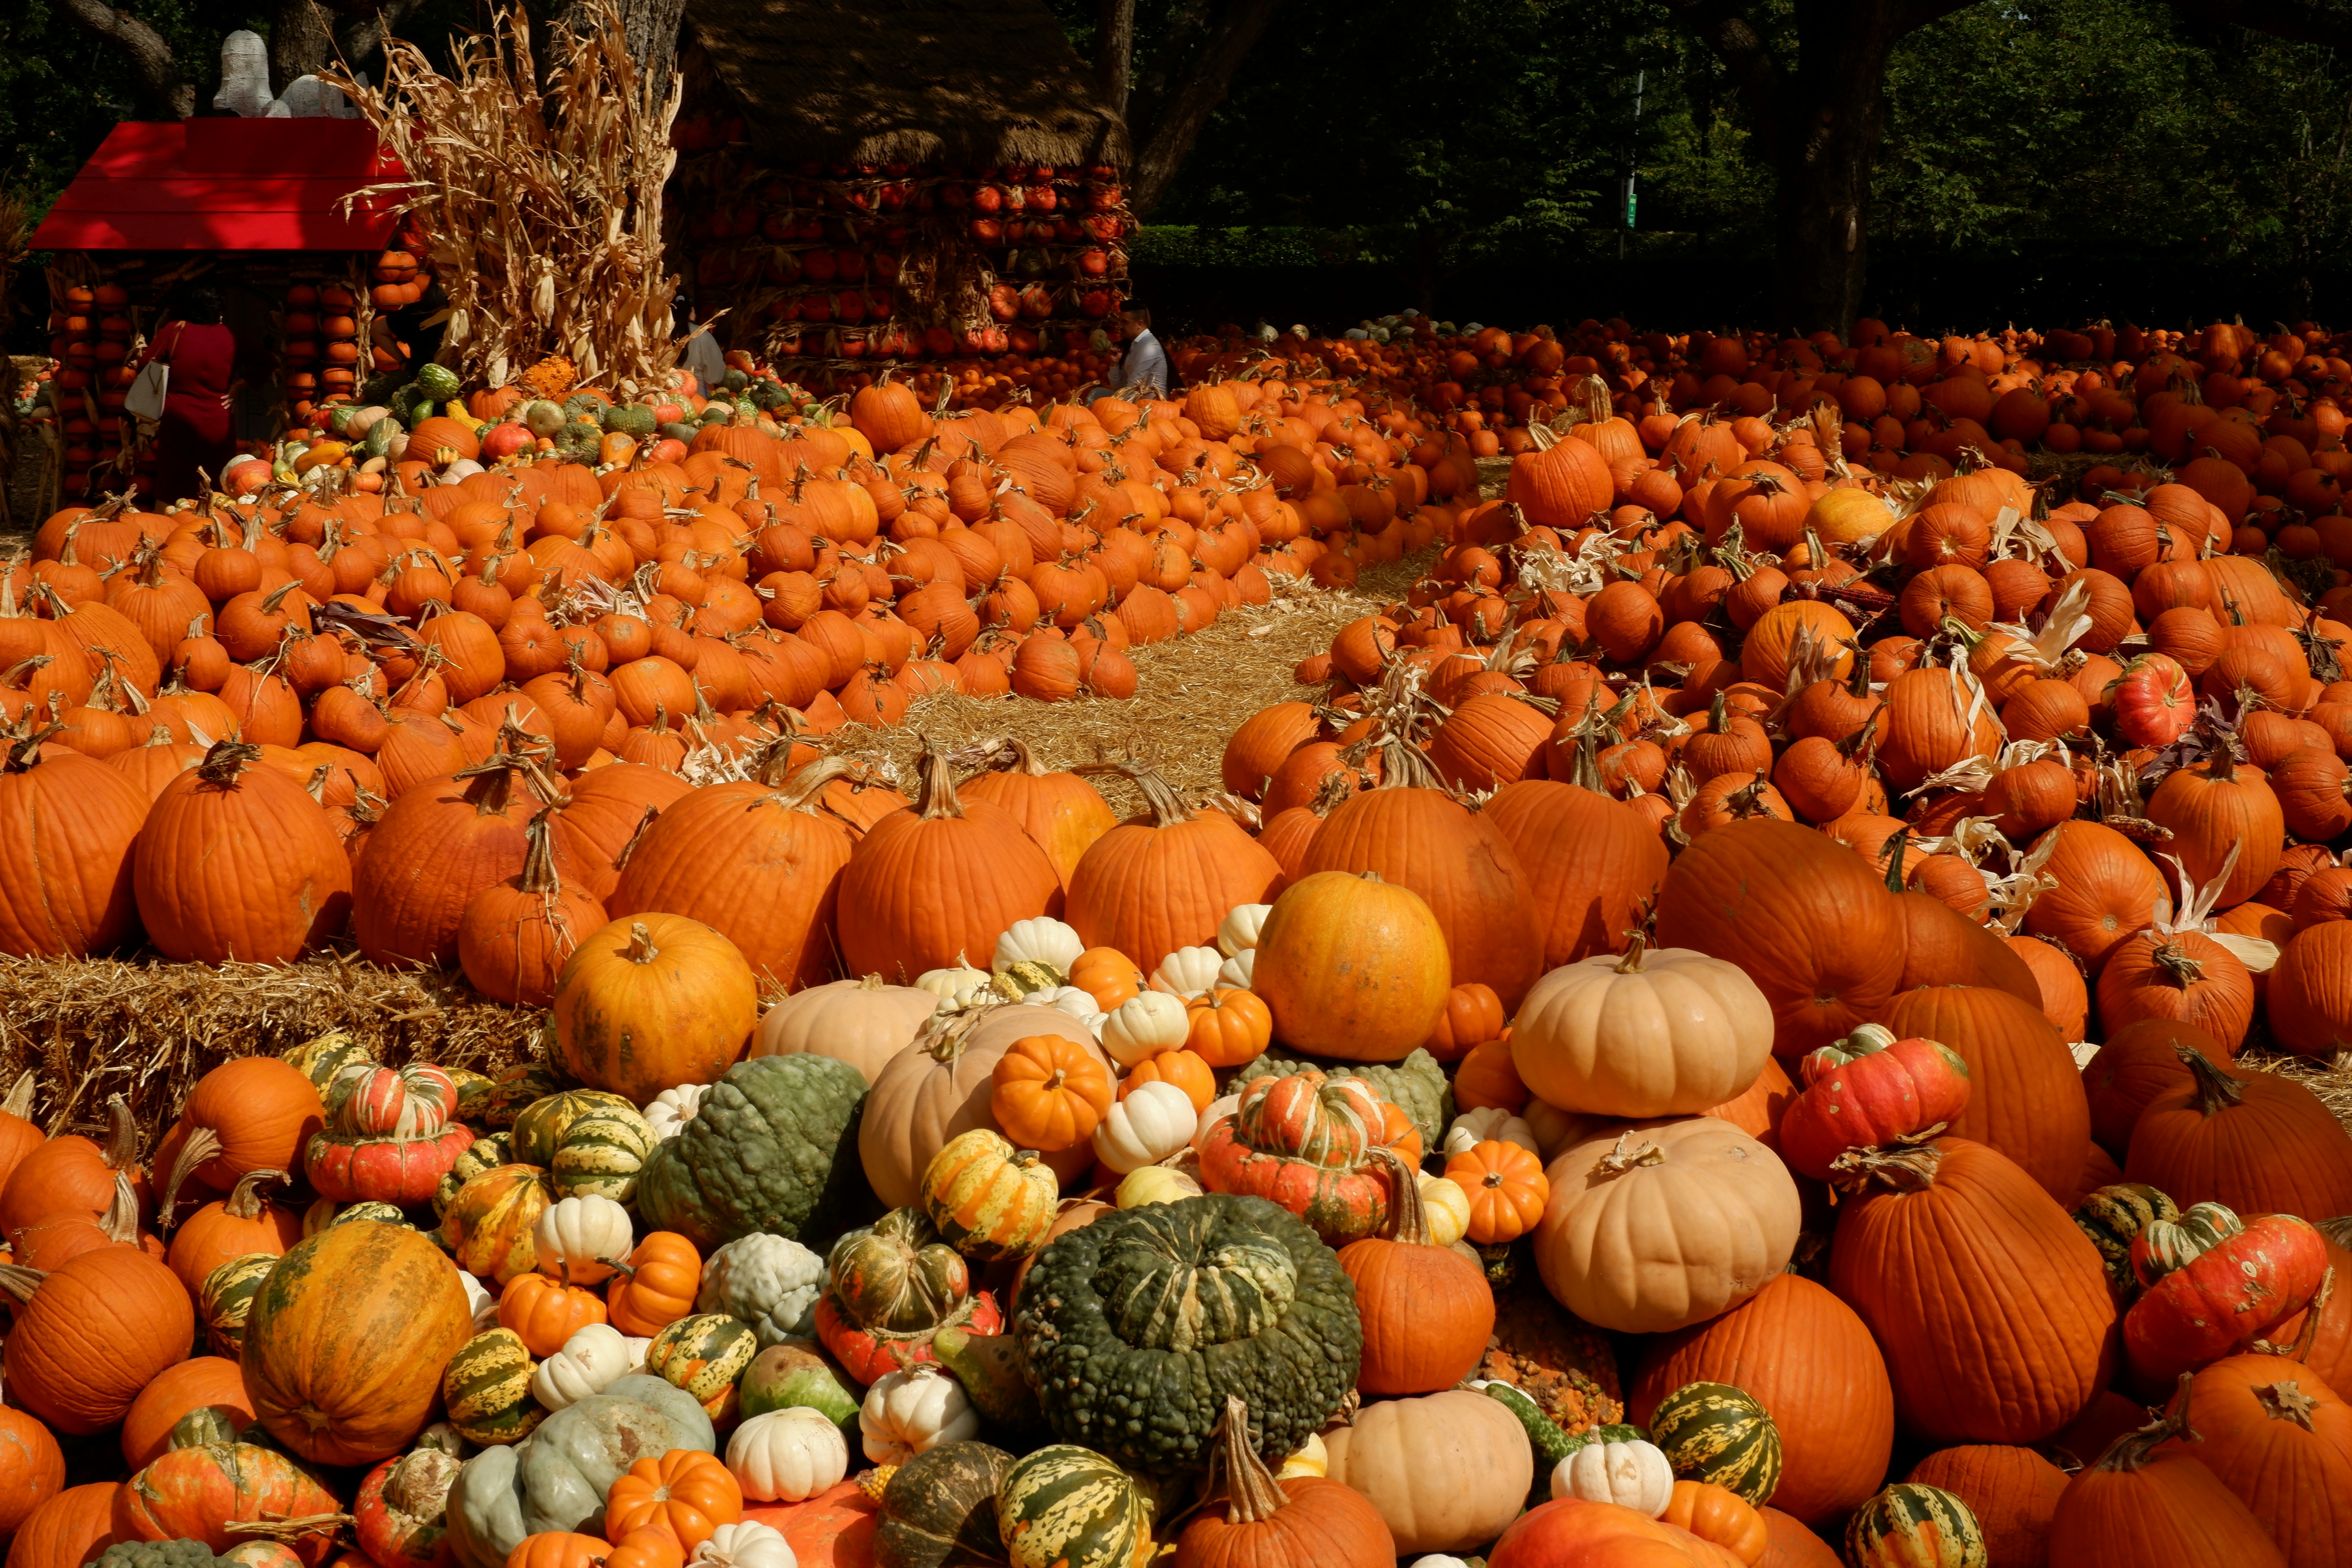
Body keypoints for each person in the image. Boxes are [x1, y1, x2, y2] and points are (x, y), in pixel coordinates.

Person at [136, 285, 240, 503]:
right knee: (218, 488)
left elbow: (146, 363)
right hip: (219, 421)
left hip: (179, 420)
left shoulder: (176, 330)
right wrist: (236, 388)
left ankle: (170, 531)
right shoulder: (230, 335)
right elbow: (265, 362)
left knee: (173, 487)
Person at [1088, 305, 1167, 402]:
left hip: (1150, 407)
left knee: (1100, 399)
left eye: (1125, 322)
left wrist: (1116, 407)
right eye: (1120, 321)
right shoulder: (1135, 344)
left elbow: (1133, 390)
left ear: (1139, 324)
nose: (1120, 326)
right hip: (1135, 402)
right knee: (1098, 393)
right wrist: (1115, 364)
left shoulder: (1149, 347)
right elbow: (1120, 389)